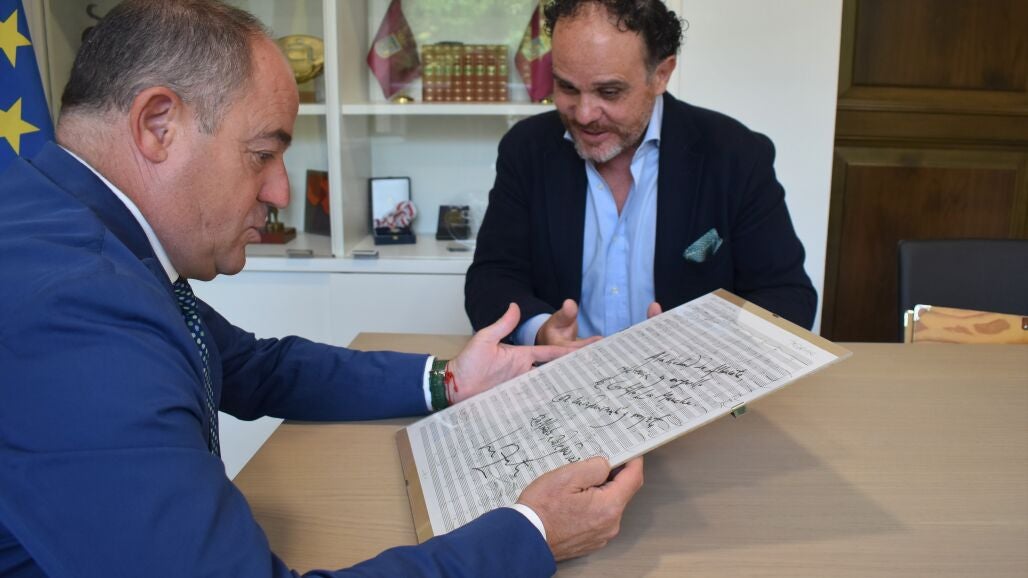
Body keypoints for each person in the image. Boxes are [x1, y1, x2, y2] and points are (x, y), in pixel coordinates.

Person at [0, 1, 643, 576]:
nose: (282, 191)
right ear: (158, 125)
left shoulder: (72, 231)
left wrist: (448, 382)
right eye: (262, 153)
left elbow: (253, 366)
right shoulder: (75, 311)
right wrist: (531, 533)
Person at [465, 0, 818, 348]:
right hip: (559, 377)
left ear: (661, 74)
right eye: (567, 87)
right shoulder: (526, 149)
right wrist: (541, 331)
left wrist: (705, 344)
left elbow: (787, 296)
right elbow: (492, 278)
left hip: (690, 378)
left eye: (609, 92)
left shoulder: (735, 154)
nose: (584, 114)